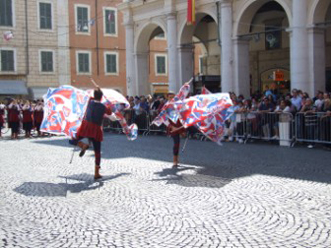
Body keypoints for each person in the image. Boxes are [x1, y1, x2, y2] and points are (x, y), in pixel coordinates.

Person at [70, 87, 112, 180]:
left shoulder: (89, 102)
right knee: (97, 152)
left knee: (72, 140)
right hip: (96, 129)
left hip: (87, 126)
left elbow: (89, 98)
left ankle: (82, 145)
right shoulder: (103, 106)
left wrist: (97, 97)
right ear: (101, 98)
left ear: (94, 96)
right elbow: (109, 112)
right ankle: (96, 173)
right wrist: (107, 103)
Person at [165, 92, 186, 168]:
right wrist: (171, 126)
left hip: (180, 125)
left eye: (173, 97)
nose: (171, 98)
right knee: (176, 143)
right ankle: (175, 160)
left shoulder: (178, 105)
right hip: (172, 127)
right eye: (170, 97)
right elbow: (163, 119)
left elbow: (183, 114)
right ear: (167, 98)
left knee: (179, 142)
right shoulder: (166, 106)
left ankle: (176, 159)